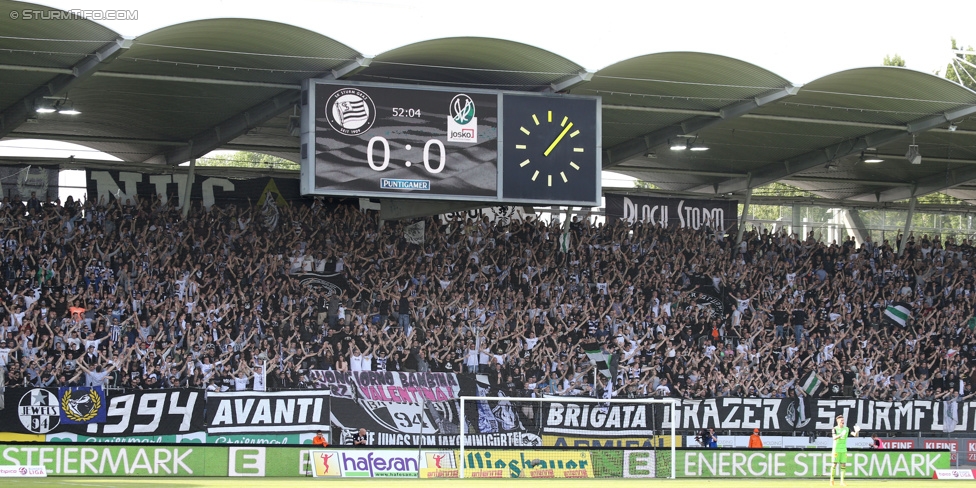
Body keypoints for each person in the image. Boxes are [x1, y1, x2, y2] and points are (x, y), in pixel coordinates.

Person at [830, 415, 859, 486]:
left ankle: (842, 482)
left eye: (843, 420)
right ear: (838, 421)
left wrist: (857, 431)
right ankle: (832, 480)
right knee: (834, 464)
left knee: (843, 465)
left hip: (843, 450)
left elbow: (855, 435)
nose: (843, 422)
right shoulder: (835, 429)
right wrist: (840, 435)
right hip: (836, 449)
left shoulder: (847, 429)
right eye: (841, 421)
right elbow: (834, 438)